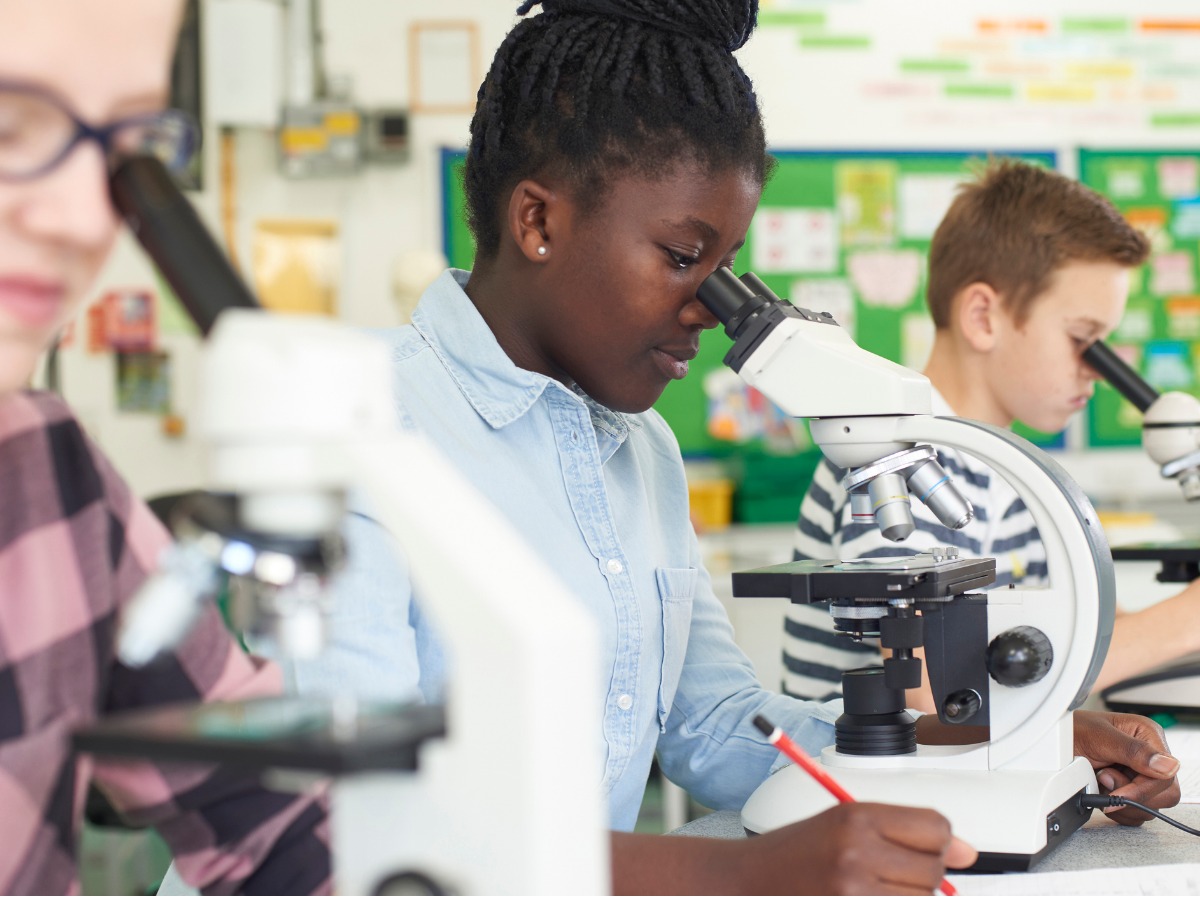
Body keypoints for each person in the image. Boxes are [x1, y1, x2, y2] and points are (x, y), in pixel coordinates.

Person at [272, 2, 1180, 894]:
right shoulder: (353, 428)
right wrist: (737, 872)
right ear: (538, 222)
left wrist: (1006, 750)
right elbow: (351, 820)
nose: (712, 306)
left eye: (728, 265)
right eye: (681, 255)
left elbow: (715, 725)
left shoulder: (645, 451)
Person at [0, 0, 330, 892]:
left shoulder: (49, 475)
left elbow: (276, 817)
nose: (81, 219)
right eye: (6, 124)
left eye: (124, 150)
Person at [786, 159, 1200, 713]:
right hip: (874, 786)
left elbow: (1073, 632)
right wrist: (1182, 624)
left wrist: (1175, 627)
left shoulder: (1007, 468)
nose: (1100, 369)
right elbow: (930, 691)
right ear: (984, 317)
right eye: (1084, 339)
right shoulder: (895, 454)